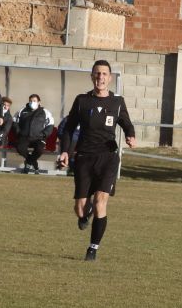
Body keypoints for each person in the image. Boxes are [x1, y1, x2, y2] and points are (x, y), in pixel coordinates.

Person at [57, 59, 136, 262]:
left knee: (101, 201)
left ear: (109, 78)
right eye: (97, 73)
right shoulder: (82, 100)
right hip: (84, 157)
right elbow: (68, 127)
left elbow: (126, 122)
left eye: (104, 74)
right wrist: (65, 151)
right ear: (92, 76)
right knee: (80, 209)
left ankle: (92, 248)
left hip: (108, 157)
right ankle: (85, 215)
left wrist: (130, 134)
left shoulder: (117, 102)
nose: (100, 77)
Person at [13, 94, 55, 174]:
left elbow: (50, 125)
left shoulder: (45, 112)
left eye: (34, 101)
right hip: (25, 137)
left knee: (40, 150)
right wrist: (19, 132)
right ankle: (33, 162)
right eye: (31, 101)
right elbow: (15, 122)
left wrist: (44, 134)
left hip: (39, 138)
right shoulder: (22, 111)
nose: (32, 102)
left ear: (39, 102)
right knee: (20, 148)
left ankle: (28, 163)